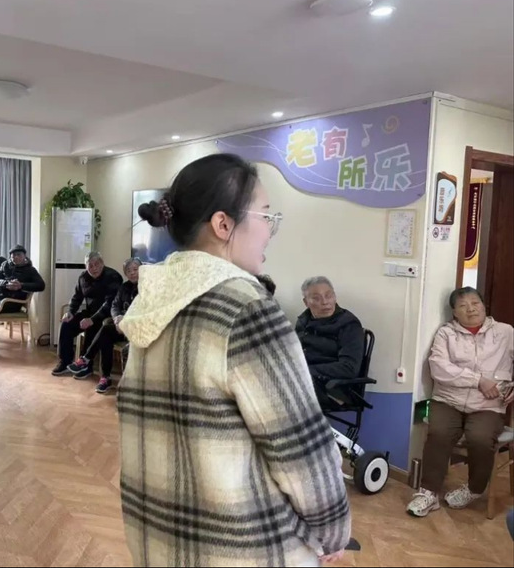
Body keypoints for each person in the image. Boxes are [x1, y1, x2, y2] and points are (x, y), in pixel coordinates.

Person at [117, 153, 350, 566]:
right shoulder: (247, 307)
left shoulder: (154, 299)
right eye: (266, 215)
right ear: (223, 224)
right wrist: (333, 533)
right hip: (240, 548)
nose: (270, 230)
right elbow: (301, 449)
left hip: (157, 538)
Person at [407, 287, 514, 517]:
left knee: (480, 438)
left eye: (475, 303)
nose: (471, 309)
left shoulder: (505, 332)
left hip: (488, 405)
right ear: (454, 312)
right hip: (448, 400)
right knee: (438, 433)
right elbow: (439, 367)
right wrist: (478, 380)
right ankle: (428, 493)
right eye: (463, 306)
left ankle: (474, 488)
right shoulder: (446, 334)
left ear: (484, 306)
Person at [66, 257, 141, 394]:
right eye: (128, 271)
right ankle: (105, 378)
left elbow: (144, 309)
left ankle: (86, 359)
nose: (132, 273)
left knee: (104, 327)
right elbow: (114, 305)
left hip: (138, 327)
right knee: (105, 332)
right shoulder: (124, 287)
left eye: (135, 269)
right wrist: (117, 319)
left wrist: (125, 319)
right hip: (121, 326)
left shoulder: (148, 286)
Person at [296, 276, 364, 406]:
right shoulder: (303, 321)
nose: (325, 302)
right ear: (306, 302)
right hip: (305, 380)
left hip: (333, 388)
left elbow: (349, 368)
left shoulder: (348, 324)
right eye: (316, 298)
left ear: (335, 297)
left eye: (329, 296)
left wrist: (305, 371)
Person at [52, 252, 123, 377]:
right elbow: (77, 297)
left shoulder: (113, 276)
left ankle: (86, 366)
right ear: (86, 266)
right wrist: (71, 312)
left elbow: (110, 303)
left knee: (92, 326)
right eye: (90, 265)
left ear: (102, 263)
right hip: (90, 312)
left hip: (107, 316)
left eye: (97, 264)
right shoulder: (83, 277)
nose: (94, 268)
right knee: (66, 324)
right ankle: (65, 361)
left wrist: (92, 319)